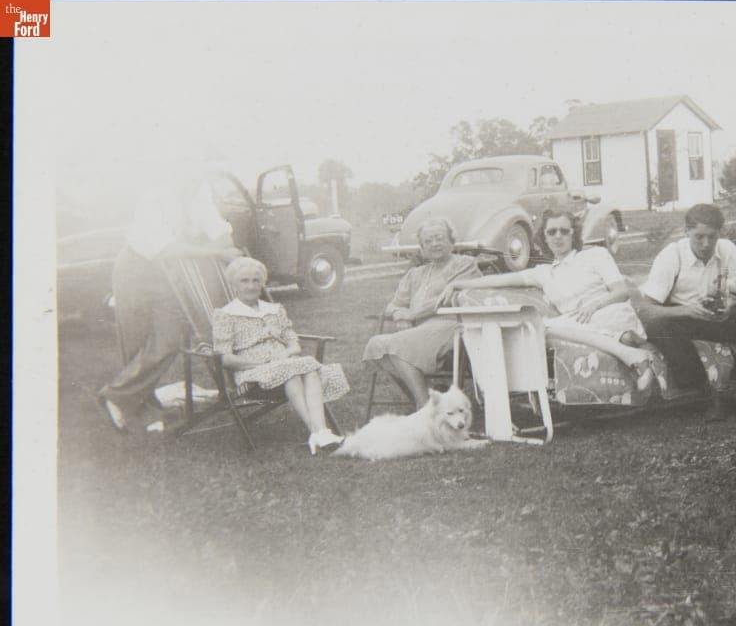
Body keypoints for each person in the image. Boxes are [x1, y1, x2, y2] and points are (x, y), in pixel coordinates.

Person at [440, 210, 662, 392]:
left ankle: (631, 348)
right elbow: (500, 279)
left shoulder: (595, 255)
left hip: (609, 312)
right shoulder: (543, 273)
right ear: (544, 238)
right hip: (578, 324)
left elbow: (621, 291)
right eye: (552, 231)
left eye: (564, 231)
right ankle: (631, 350)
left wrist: (594, 306)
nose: (558, 236)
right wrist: (460, 284)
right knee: (539, 327)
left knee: (551, 327)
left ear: (573, 234)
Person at [97, 169, 243, 433]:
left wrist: (227, 250)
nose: (191, 177)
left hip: (172, 274)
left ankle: (115, 396)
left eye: (196, 168)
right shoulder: (153, 198)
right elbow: (165, 248)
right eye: (185, 168)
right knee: (136, 340)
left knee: (170, 336)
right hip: (137, 269)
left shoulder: (200, 194)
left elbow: (219, 231)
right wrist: (214, 251)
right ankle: (146, 413)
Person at [636, 203, 736, 421]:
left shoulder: (727, 248)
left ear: (719, 233)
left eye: (712, 237)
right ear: (686, 232)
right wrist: (686, 311)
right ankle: (706, 394)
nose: (706, 244)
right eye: (699, 237)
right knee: (657, 326)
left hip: (722, 315)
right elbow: (645, 309)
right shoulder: (672, 255)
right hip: (684, 318)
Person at [212, 257, 349, 454]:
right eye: (244, 281)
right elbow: (225, 358)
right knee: (297, 369)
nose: (251, 286)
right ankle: (318, 431)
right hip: (252, 371)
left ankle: (320, 432)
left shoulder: (274, 309)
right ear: (234, 284)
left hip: (285, 363)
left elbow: (292, 340)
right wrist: (265, 361)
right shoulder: (226, 314)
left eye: (256, 280)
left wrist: (288, 352)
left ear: (262, 283)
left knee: (305, 368)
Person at [362, 219, 483, 408]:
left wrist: (411, 315)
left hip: (452, 326)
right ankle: (427, 401)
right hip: (418, 332)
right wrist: (399, 314)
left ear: (451, 241)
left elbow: (452, 298)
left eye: (439, 238)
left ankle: (422, 404)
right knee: (378, 344)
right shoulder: (415, 274)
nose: (434, 244)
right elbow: (392, 306)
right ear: (422, 248)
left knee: (394, 346)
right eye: (428, 241)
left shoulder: (465, 264)